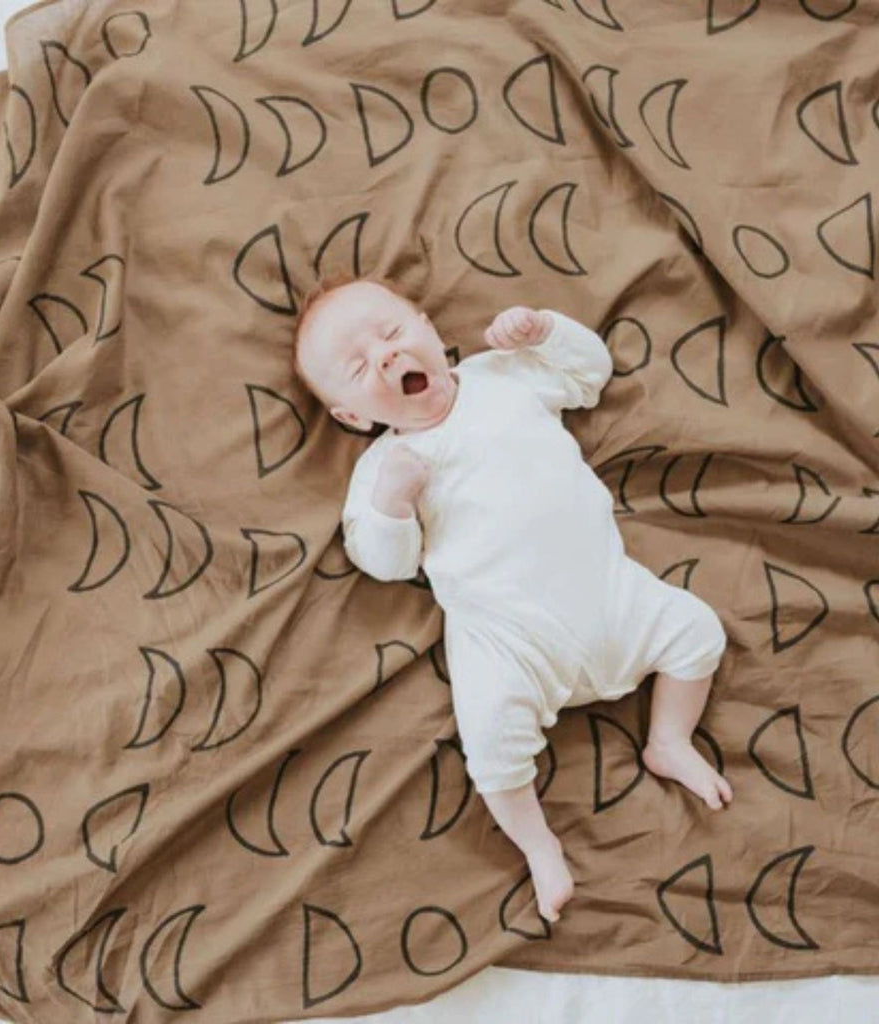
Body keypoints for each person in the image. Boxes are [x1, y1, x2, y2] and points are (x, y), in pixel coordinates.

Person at [292, 271, 734, 923]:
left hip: (611, 596)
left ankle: (668, 739)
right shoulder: (382, 469)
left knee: (699, 634)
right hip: (509, 641)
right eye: (359, 367)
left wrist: (546, 331)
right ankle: (539, 845)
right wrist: (392, 504)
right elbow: (384, 562)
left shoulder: (503, 375)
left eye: (390, 334)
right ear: (353, 416)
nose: (385, 356)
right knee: (494, 752)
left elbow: (591, 372)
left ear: (428, 328)